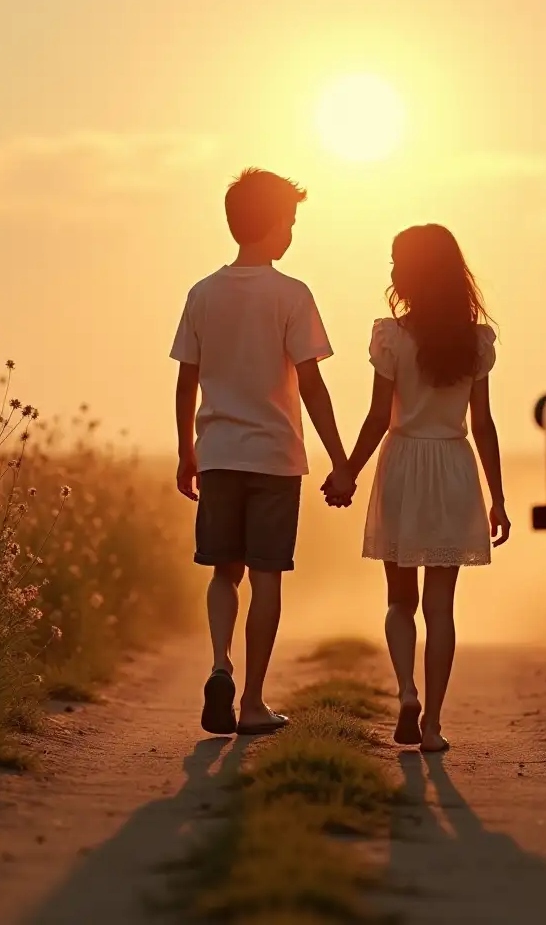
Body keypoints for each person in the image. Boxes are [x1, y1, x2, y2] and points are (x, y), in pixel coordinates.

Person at [170, 167, 355, 737]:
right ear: (274, 224)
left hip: (219, 453)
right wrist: (340, 459)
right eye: (291, 221)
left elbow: (186, 382)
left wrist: (186, 450)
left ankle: (220, 663)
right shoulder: (292, 295)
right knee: (267, 576)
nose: (292, 232)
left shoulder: (202, 293)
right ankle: (251, 701)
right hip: (275, 457)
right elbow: (313, 385)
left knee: (224, 572)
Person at [323, 224, 510, 753]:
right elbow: (486, 423)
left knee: (399, 599)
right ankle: (432, 725)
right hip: (453, 464)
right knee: (441, 607)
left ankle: (406, 693)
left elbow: (378, 417)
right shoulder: (475, 342)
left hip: (404, 464)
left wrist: (348, 473)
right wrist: (497, 498)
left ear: (406, 274)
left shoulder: (392, 337)